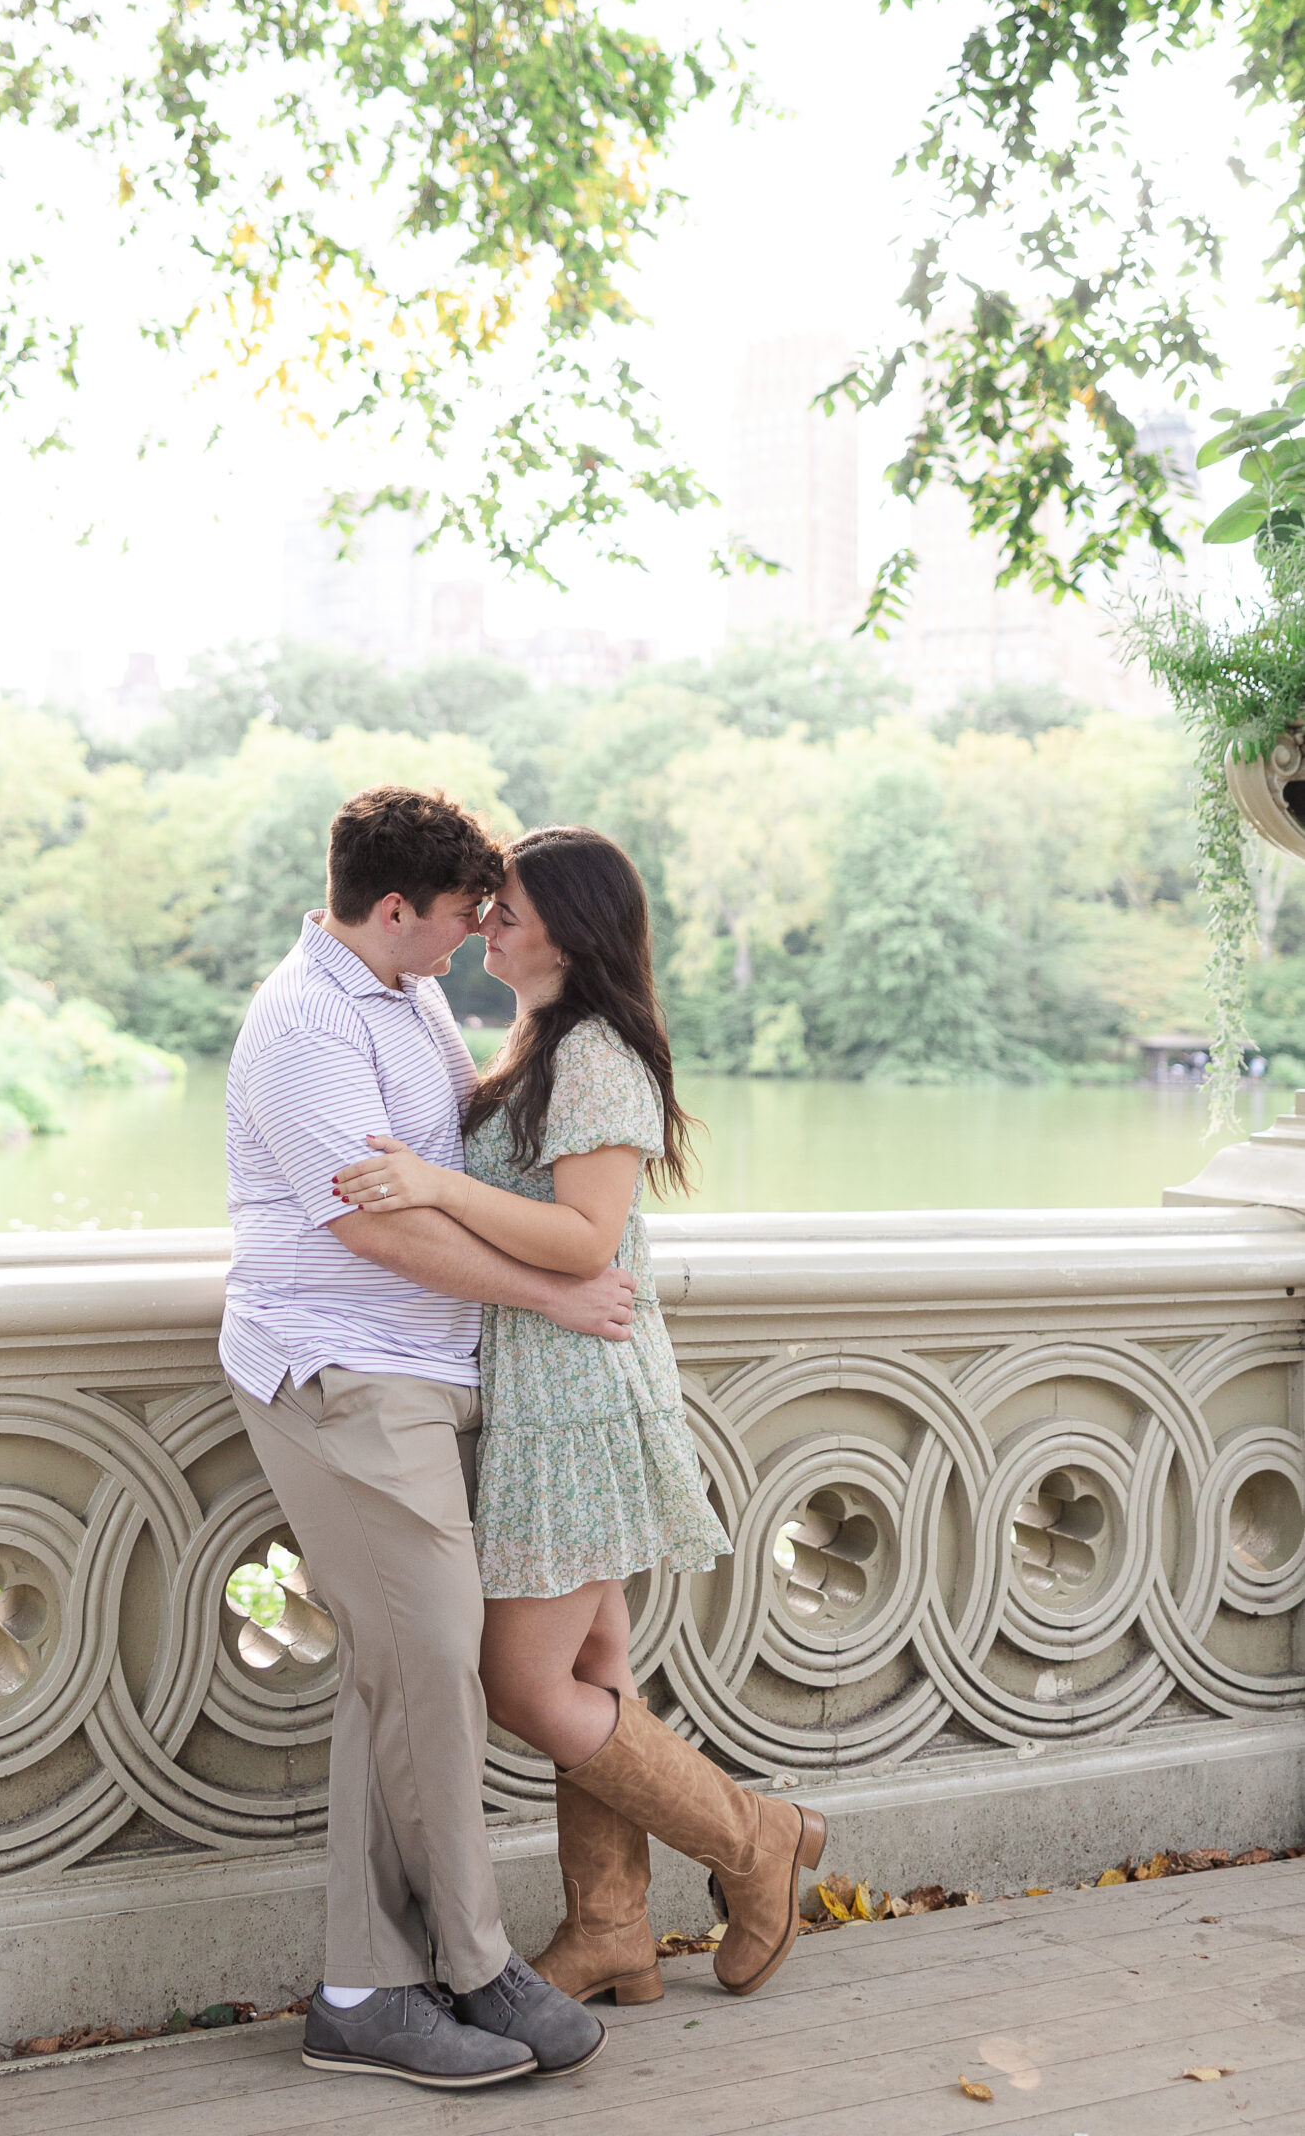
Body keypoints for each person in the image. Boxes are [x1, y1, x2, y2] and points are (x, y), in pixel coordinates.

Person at [334, 826, 827, 2012]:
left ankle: (757, 1840)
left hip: (583, 1397)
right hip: (543, 1383)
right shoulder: (534, 1038)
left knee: (523, 1682)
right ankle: (611, 1928)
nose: (488, 917)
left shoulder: (596, 1052)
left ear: (574, 924)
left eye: (510, 904)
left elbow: (584, 1239)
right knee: (598, 1666)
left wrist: (436, 1181)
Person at [221, 786, 636, 2091]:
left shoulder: (403, 998)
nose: (471, 937)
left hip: (427, 1371)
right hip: (342, 1378)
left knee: (394, 1674)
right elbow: (375, 1227)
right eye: (460, 917)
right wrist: (559, 1292)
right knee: (439, 1663)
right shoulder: (300, 1028)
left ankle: (360, 1992)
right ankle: (471, 1958)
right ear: (389, 910)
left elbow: (454, 1175)